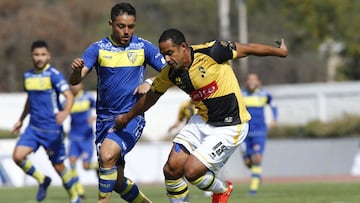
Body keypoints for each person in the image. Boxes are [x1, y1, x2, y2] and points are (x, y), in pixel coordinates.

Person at [114, 28, 288, 203]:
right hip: (203, 120)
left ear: (183, 47)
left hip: (231, 125)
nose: (166, 59)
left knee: (192, 172)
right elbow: (151, 96)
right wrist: (127, 117)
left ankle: (223, 189)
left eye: (169, 53)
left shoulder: (212, 51)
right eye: (163, 54)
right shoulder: (171, 73)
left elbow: (248, 48)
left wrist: (280, 52)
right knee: (171, 169)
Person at [69, 3, 166, 203]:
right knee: (117, 181)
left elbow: (170, 71)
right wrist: (77, 70)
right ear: (111, 24)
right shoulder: (97, 49)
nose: (127, 31)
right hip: (104, 121)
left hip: (130, 117)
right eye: (122, 26)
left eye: (131, 26)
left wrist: (149, 82)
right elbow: (75, 81)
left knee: (106, 156)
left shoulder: (143, 47)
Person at [12, 40, 81, 203]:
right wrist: (21, 120)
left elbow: (69, 96)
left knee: (59, 167)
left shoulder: (54, 75)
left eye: (43, 54)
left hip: (52, 130)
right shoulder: (27, 76)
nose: (39, 58)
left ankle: (74, 197)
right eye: (36, 54)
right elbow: (30, 100)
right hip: (33, 128)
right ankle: (43, 179)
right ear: (31, 56)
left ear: (49, 56)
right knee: (17, 157)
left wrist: (65, 112)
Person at [241, 73, 278, 195]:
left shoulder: (264, 94)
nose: (251, 81)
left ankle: (253, 189)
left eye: (254, 79)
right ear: (246, 82)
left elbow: (274, 106)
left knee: (257, 158)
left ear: (259, 81)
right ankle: (257, 174)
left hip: (259, 132)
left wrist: (274, 119)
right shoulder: (241, 94)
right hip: (244, 132)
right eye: (249, 79)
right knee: (247, 162)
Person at [67, 82, 98, 199]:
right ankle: (79, 190)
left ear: (82, 86)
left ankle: (96, 167)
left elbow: (100, 108)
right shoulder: (67, 99)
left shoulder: (87, 97)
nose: (74, 87)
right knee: (72, 162)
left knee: (86, 166)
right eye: (72, 84)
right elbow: (61, 112)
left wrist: (94, 117)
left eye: (76, 84)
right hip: (73, 137)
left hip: (86, 137)